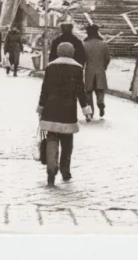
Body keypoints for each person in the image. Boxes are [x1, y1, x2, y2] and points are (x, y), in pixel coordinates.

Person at [36, 42, 92, 187]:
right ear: (72, 52)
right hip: (68, 110)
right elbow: (81, 91)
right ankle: (65, 169)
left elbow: (45, 89)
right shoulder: (78, 68)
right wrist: (86, 109)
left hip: (51, 108)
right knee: (67, 142)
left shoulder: (51, 66)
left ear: (58, 52)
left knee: (52, 137)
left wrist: (41, 107)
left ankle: (51, 166)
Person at [83, 24, 111, 118]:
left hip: (89, 71)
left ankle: (90, 112)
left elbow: (82, 60)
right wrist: (104, 66)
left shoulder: (85, 45)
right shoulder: (103, 44)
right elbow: (107, 58)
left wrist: (81, 69)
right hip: (100, 70)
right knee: (100, 90)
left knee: (88, 92)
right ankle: (100, 103)